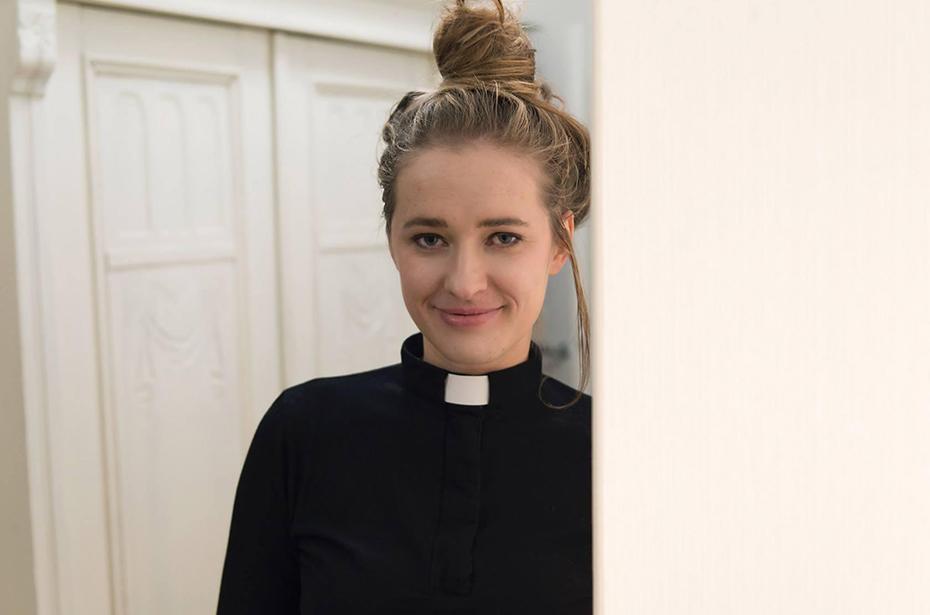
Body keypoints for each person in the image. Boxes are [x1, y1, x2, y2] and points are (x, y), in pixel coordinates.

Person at [215, 0, 591, 612]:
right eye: (430, 239)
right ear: (392, 239)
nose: (465, 283)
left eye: (503, 237)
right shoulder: (303, 433)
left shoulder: (611, 458)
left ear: (559, 243)